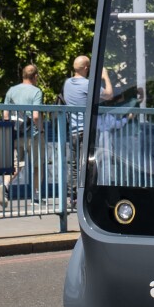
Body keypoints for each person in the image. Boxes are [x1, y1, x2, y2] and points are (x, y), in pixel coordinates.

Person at [2, 64, 45, 207]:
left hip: (15, 133)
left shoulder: (11, 90)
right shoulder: (36, 92)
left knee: (16, 165)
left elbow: (5, 114)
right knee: (38, 164)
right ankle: (36, 196)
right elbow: (36, 116)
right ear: (35, 77)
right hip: (32, 134)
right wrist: (41, 129)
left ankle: (5, 186)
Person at [61, 55, 92, 209]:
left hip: (72, 130)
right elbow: (108, 95)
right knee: (88, 164)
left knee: (73, 165)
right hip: (85, 130)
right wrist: (105, 76)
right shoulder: (88, 84)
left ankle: (71, 197)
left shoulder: (67, 83)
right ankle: (86, 196)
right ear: (86, 68)